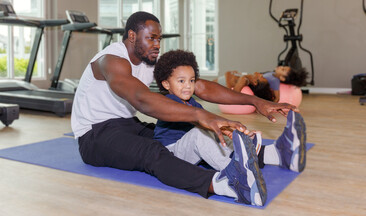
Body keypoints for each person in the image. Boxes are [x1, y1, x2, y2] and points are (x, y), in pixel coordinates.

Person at [71, 11, 300, 207]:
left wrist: (256, 101)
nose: (157, 44)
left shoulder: (150, 61)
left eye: (159, 39)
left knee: (183, 137)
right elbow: (142, 100)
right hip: (94, 135)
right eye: (151, 38)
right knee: (152, 153)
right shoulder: (111, 60)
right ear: (132, 36)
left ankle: (273, 154)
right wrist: (201, 115)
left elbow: (199, 86)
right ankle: (227, 184)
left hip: (127, 125)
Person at [152, 49, 307, 192]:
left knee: (216, 133)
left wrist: (238, 134)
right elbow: (199, 120)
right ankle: (235, 172)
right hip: (172, 155)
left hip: (189, 151)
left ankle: (269, 153)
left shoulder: (191, 102)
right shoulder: (169, 101)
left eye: (191, 81)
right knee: (201, 133)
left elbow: (209, 120)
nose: (188, 86)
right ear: (166, 84)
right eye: (181, 81)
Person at [215, 66, 308, 102]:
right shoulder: (271, 73)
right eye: (283, 67)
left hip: (251, 84)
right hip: (249, 80)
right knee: (220, 79)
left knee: (212, 84)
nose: (281, 67)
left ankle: (232, 95)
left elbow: (277, 97)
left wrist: (271, 105)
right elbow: (258, 75)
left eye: (283, 70)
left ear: (282, 78)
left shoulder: (275, 81)